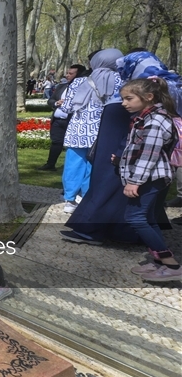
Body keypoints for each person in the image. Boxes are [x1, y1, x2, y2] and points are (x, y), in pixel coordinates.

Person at [65, 50, 174, 244]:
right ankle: (156, 248)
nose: (125, 102)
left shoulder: (136, 97)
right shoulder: (164, 88)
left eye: (128, 99)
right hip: (147, 164)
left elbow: (144, 148)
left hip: (121, 152)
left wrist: (121, 153)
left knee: (108, 181)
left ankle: (97, 229)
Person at [115, 78, 180, 282]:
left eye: (129, 98)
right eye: (123, 99)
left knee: (135, 217)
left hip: (150, 177)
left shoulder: (155, 121)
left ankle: (171, 264)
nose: (124, 103)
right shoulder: (145, 117)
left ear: (148, 97)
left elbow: (149, 155)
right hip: (151, 176)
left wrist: (135, 181)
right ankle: (161, 262)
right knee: (149, 218)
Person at [59, 49, 123, 214]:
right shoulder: (121, 80)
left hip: (78, 131)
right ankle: (87, 197)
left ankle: (70, 199)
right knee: (94, 166)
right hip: (103, 131)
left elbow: (67, 108)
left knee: (73, 165)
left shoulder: (80, 81)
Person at [38, 65, 84, 171]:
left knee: (72, 145)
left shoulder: (83, 89)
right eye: (67, 73)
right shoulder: (61, 86)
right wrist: (56, 103)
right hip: (58, 120)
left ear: (78, 75)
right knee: (56, 142)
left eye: (70, 73)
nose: (67, 75)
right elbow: (50, 100)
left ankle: (72, 168)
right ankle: (50, 164)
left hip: (71, 120)